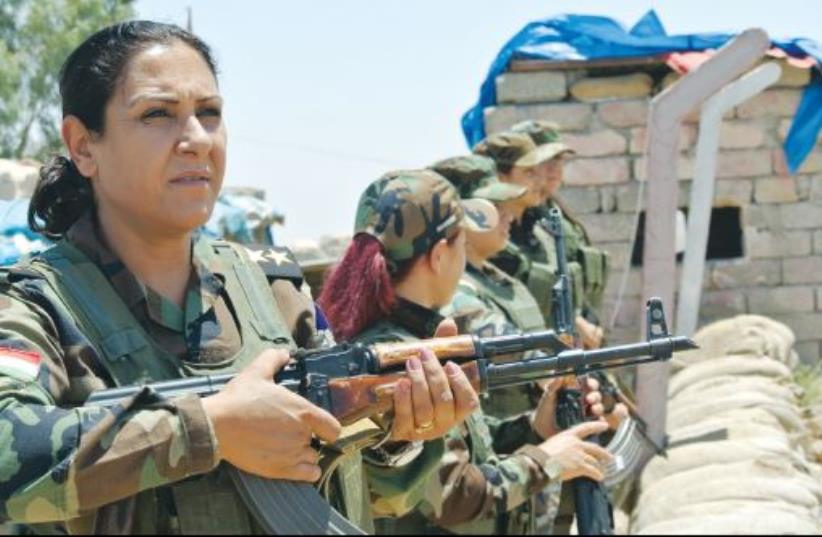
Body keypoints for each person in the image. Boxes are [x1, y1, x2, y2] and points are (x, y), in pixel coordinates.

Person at [0, 21, 474, 534]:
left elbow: (362, 484)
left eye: (209, 114)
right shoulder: (35, 308)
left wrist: (398, 429)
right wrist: (211, 429)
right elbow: (9, 454)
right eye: (158, 114)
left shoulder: (274, 290)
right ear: (83, 145)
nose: (197, 140)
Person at [319, 169, 612, 534]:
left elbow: (460, 442)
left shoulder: (404, 342)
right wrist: (547, 460)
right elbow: (451, 494)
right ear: (440, 255)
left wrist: (533, 428)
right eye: (461, 244)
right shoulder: (396, 360)